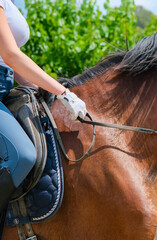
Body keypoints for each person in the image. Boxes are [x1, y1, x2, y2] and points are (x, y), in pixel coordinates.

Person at [0, 0, 88, 228]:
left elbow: (13, 65)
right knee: (23, 155)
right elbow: (11, 54)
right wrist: (63, 92)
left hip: (5, 88)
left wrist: (50, 95)